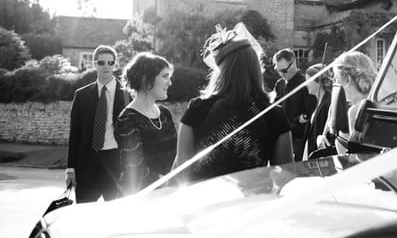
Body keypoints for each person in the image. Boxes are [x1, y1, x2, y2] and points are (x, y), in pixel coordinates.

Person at [175, 27, 293, 182]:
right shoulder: (274, 114)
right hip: (254, 202)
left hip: (204, 202)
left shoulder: (197, 108)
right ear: (256, 68)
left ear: (221, 71)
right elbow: (284, 177)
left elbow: (180, 174)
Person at [66, 45, 129, 203]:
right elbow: (75, 134)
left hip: (116, 164)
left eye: (110, 62)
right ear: (95, 64)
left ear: (115, 64)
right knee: (83, 217)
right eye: (101, 62)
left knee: (115, 218)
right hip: (86, 164)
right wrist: (70, 168)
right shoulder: (81, 95)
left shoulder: (128, 95)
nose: (106, 66)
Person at [115, 52, 177, 195]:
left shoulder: (165, 113)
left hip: (169, 193)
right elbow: (135, 168)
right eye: (164, 76)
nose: (170, 83)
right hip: (143, 198)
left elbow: (176, 156)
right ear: (146, 81)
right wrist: (167, 183)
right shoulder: (128, 119)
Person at [323, 51, 377, 155]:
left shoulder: (355, 112)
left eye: (337, 80)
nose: (336, 85)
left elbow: (354, 158)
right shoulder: (380, 104)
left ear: (347, 79)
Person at [273, 48, 314, 161]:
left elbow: (311, 113)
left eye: (284, 70)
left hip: (298, 139)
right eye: (278, 70)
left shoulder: (306, 84)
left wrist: (302, 118)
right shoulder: (279, 84)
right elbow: (274, 108)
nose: (281, 74)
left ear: (293, 63)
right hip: (280, 137)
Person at [303, 63, 333, 159]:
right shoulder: (318, 101)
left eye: (308, 80)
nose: (305, 84)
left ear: (318, 81)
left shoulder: (328, 103)